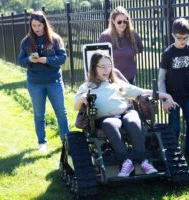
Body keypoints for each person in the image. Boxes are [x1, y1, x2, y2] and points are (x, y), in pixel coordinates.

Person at [74, 50, 177, 177]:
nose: (106, 70)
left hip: (126, 112)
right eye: (102, 67)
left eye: (109, 66)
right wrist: (83, 97)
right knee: (109, 124)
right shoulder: (87, 87)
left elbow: (142, 91)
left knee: (133, 121)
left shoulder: (117, 83)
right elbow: (75, 106)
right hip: (107, 117)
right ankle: (126, 162)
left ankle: (143, 160)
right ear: (94, 67)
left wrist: (166, 95)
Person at [18, 11, 69, 153]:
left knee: (61, 112)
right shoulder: (26, 41)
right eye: (33, 25)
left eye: (39, 25)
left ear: (44, 24)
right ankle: (42, 143)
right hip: (35, 84)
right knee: (39, 114)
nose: (36, 28)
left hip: (54, 82)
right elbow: (20, 61)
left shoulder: (55, 39)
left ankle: (66, 142)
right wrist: (29, 60)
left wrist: (47, 60)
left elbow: (63, 58)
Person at [158, 17, 189, 156]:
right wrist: (165, 99)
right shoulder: (167, 54)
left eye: (186, 38)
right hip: (172, 98)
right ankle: (174, 152)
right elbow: (161, 79)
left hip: (187, 95)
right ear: (173, 35)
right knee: (175, 127)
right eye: (179, 38)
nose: (183, 41)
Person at [98, 6, 143, 84]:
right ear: (113, 21)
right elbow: (98, 58)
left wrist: (128, 52)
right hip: (111, 80)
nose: (122, 24)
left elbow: (140, 48)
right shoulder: (105, 37)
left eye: (125, 21)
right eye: (119, 22)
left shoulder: (132, 35)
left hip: (129, 78)